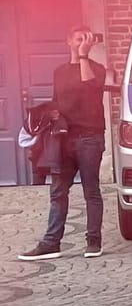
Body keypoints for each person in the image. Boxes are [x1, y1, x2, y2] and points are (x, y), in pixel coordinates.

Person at [18, 27, 110, 261]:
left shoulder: (97, 69)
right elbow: (57, 101)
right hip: (64, 139)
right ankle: (51, 243)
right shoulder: (59, 72)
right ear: (68, 41)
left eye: (86, 40)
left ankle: (93, 242)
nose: (82, 43)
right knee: (58, 191)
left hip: (90, 137)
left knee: (91, 190)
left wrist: (83, 56)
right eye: (78, 39)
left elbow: (90, 86)